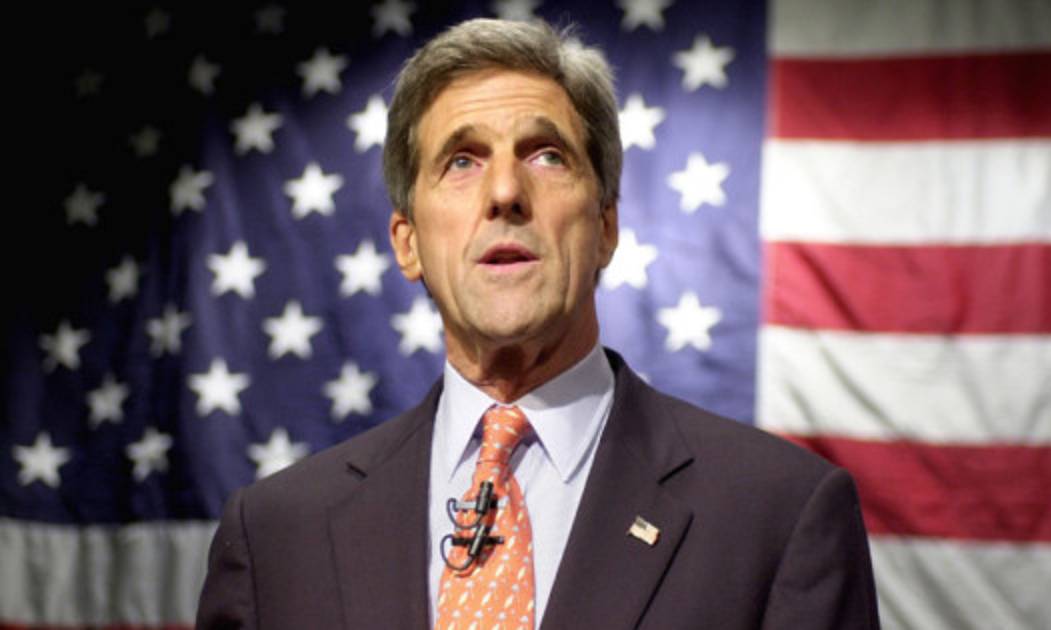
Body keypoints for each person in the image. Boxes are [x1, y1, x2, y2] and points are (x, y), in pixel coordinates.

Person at [197, 18, 879, 630]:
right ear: (408, 243)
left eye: (546, 155)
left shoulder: (777, 514)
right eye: (461, 161)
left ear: (605, 226)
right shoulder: (277, 535)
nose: (504, 193)